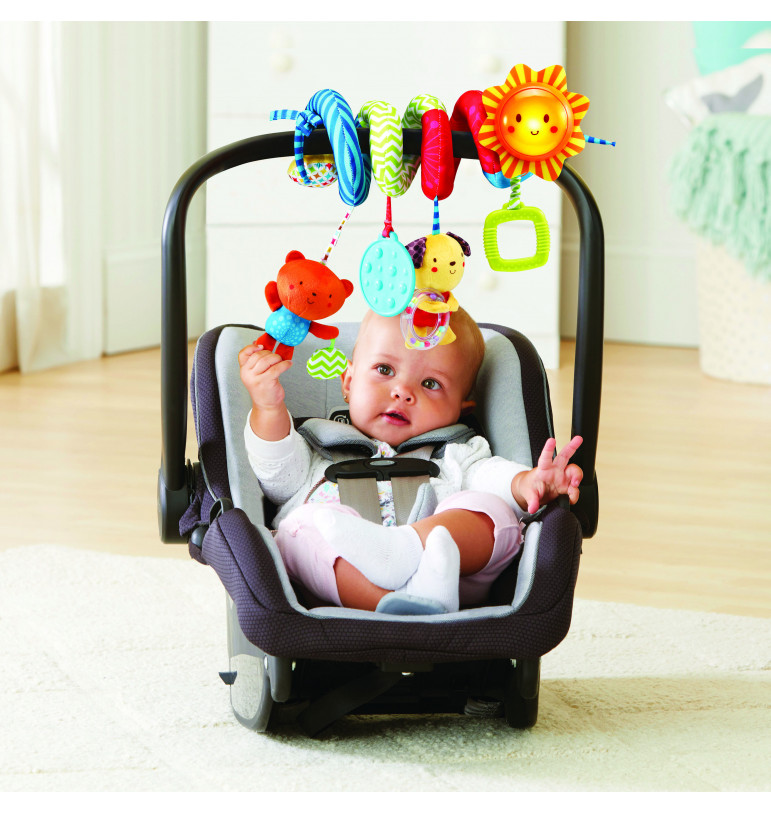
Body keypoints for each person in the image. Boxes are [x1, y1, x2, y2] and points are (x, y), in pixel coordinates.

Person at [238, 307, 583, 615]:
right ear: (349, 382)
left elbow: (493, 478)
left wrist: (527, 482)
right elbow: (278, 477)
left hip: (450, 574)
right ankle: (396, 603)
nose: (403, 391)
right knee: (297, 529)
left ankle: (409, 550)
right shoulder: (319, 448)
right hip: (339, 580)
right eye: (384, 369)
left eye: (431, 383)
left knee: (495, 513)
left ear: (460, 409)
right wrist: (268, 408)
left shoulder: (457, 452)